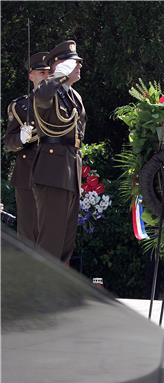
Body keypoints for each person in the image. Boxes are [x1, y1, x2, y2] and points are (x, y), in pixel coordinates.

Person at [32, 40, 86, 264]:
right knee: (50, 242)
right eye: (75, 63)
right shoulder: (49, 91)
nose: (80, 67)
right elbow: (41, 97)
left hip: (70, 171)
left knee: (65, 242)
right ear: (61, 66)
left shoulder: (73, 96)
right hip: (53, 171)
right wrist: (56, 76)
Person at [4, 52, 50, 243]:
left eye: (49, 72)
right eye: (41, 72)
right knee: (28, 233)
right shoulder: (20, 106)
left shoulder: (64, 103)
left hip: (54, 171)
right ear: (31, 75)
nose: (46, 76)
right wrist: (21, 139)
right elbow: (8, 143)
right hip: (28, 174)